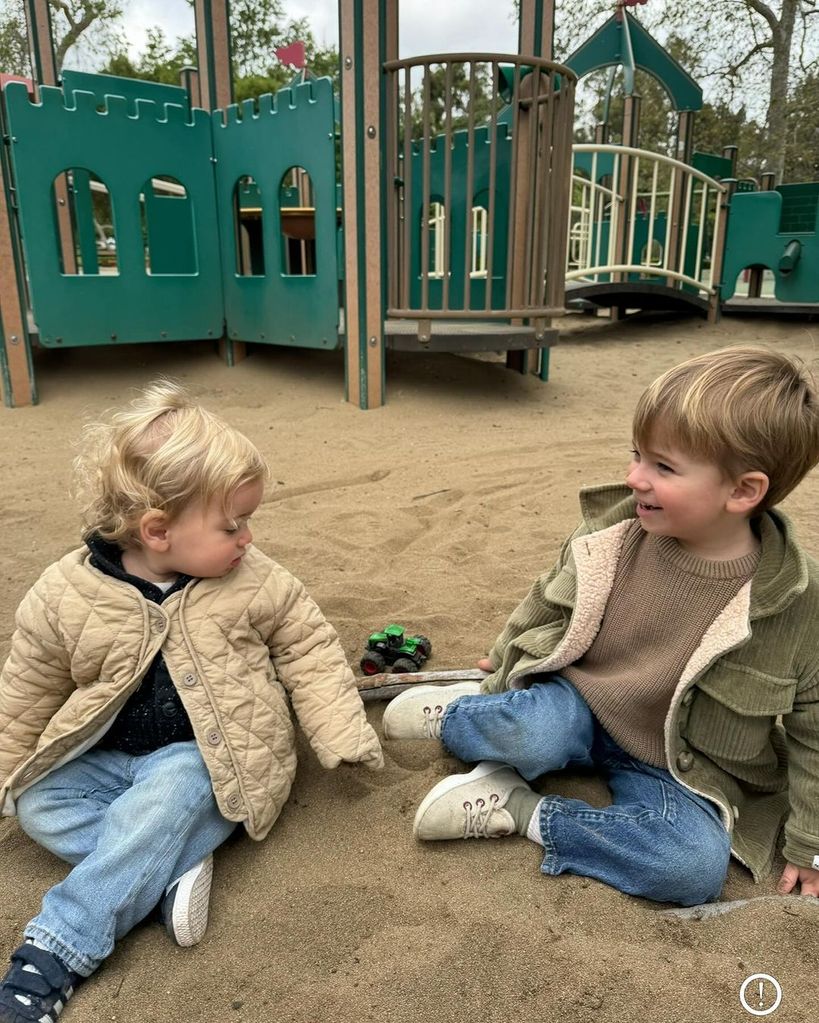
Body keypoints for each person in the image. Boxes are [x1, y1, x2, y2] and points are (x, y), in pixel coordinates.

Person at [0, 381, 383, 1023]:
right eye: (231, 525)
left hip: (211, 757)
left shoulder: (256, 580)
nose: (248, 538)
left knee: (176, 789)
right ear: (156, 530)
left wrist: (341, 732)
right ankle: (166, 876)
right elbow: (29, 687)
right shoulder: (64, 591)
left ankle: (58, 946)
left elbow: (309, 646)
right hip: (108, 759)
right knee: (37, 802)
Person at [384, 345, 819, 907]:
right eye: (636, 454)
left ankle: (521, 811)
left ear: (742, 491)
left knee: (691, 869)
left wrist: (810, 842)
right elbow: (550, 594)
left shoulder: (797, 603)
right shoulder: (615, 534)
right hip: (580, 705)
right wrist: (502, 660)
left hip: (684, 768)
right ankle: (462, 712)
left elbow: (813, 727)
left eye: (662, 467)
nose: (633, 476)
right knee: (526, 731)